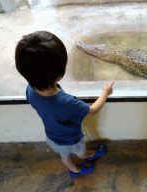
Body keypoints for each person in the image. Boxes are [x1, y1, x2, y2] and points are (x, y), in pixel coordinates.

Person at [15, 31, 114, 178]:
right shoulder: (66, 102)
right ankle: (90, 154)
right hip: (72, 139)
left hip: (52, 138)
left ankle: (74, 170)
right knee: (81, 152)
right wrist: (106, 92)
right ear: (60, 73)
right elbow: (93, 110)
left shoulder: (30, 90)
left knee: (64, 156)